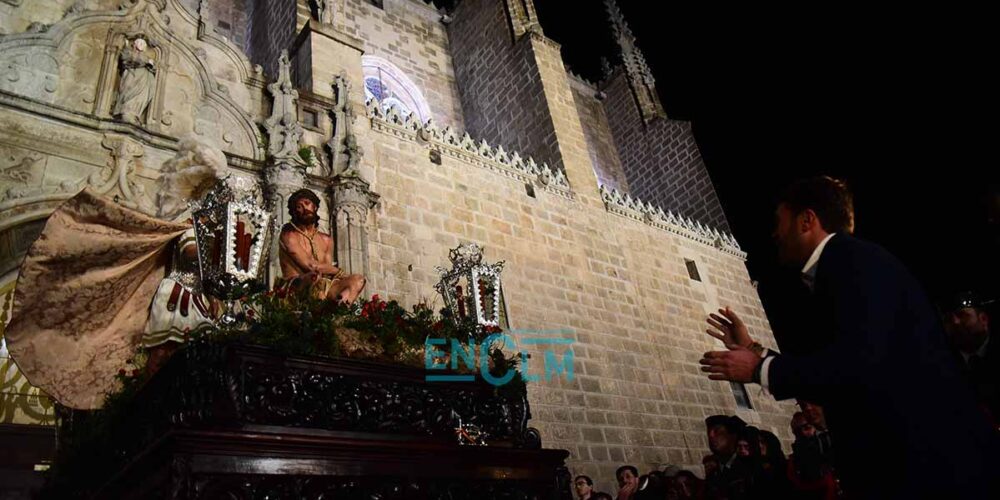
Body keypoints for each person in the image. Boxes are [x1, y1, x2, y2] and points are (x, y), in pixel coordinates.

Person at [698, 176, 997, 498]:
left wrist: (759, 369)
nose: (775, 233)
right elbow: (841, 362)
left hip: (930, 471)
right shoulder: (844, 266)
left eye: (779, 222)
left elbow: (856, 366)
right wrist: (752, 349)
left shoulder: (851, 263)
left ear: (807, 220)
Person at [278, 188, 366, 304]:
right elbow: (310, 266)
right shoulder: (289, 235)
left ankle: (340, 308)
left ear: (315, 207)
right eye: (299, 206)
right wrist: (339, 271)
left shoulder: (326, 239)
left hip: (323, 284)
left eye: (307, 204)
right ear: (295, 212)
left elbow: (327, 269)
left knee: (358, 280)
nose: (305, 209)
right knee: (314, 278)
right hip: (298, 285)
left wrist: (340, 279)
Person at [941, 291, 999, 427]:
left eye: (963, 315)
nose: (955, 322)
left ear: (983, 319)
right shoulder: (944, 364)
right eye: (948, 319)